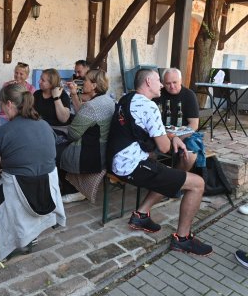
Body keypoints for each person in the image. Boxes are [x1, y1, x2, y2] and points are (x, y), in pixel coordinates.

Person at [107, 68, 212, 256]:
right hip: (131, 165)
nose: (162, 85)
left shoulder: (127, 98)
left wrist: (172, 137)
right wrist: (172, 139)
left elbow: (145, 130)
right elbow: (164, 147)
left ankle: (141, 216)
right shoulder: (149, 106)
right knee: (197, 184)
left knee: (166, 174)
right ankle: (182, 239)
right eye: (159, 80)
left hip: (117, 160)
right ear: (148, 82)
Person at [0, 83, 66, 260]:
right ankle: (29, 232)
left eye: (2, 105)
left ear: (9, 104)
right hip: (46, 192)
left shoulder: (1, 133)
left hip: (17, 194)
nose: (2, 110)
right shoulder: (45, 126)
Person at [58, 69, 115, 203]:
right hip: (102, 149)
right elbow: (83, 114)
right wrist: (74, 94)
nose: (83, 83)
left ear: (94, 85)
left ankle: (73, 190)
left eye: (86, 80)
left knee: (54, 151)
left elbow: (73, 134)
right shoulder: (107, 100)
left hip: (90, 153)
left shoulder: (92, 106)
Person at [156, 67, 201, 171]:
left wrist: (177, 138)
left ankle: (175, 177)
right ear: (163, 83)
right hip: (160, 134)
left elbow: (194, 124)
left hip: (182, 134)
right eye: (168, 83)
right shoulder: (158, 93)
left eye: (175, 82)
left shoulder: (189, 95)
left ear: (181, 81)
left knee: (189, 156)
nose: (172, 86)